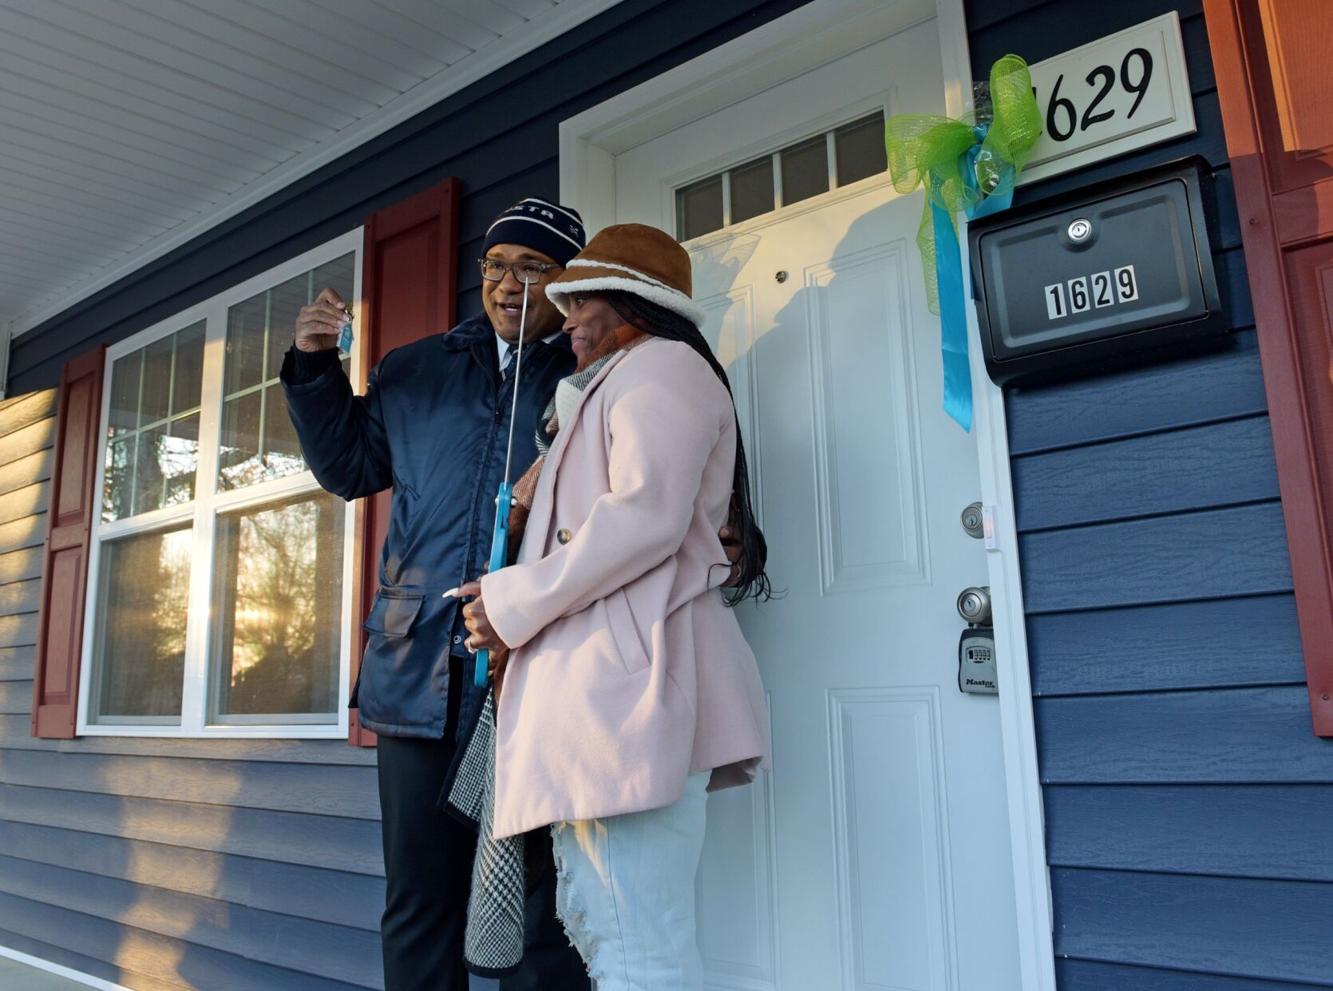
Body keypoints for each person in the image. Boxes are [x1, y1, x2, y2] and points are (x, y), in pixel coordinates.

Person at [281, 197, 594, 991]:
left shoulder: (592, 375)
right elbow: (350, 469)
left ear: (567, 283)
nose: (508, 284)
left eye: (533, 268)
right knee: (420, 900)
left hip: (535, 669)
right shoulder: (414, 368)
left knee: (540, 911)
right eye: (496, 266)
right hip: (415, 666)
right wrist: (315, 369)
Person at [458, 223, 772, 990]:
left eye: (582, 301)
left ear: (634, 304)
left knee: (635, 946)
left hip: (624, 698)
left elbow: (643, 517)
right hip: (611, 697)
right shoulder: (622, 381)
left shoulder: (660, 368)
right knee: (615, 932)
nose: (566, 318)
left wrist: (511, 601)